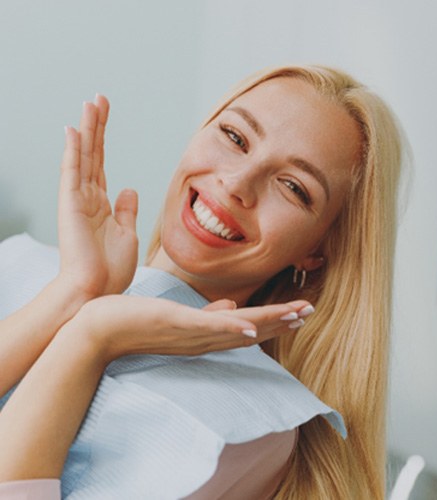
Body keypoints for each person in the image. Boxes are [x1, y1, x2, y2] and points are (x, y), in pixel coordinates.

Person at [0, 64, 403, 499]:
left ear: (317, 249)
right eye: (234, 137)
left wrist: (91, 336)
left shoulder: (246, 425)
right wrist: (74, 293)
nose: (236, 183)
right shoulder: (22, 263)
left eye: (292, 186)